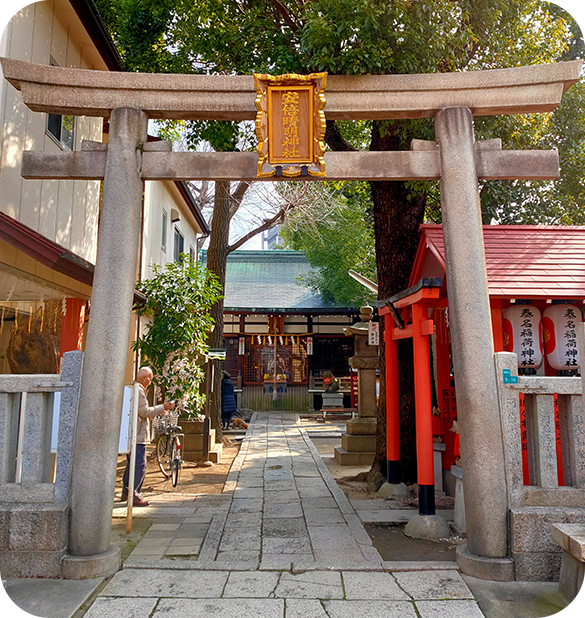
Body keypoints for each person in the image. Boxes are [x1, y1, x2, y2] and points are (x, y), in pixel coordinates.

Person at [121, 366, 172, 506]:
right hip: (138, 433)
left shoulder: (133, 388)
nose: (150, 382)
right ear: (144, 378)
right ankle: (135, 494)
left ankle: (126, 492)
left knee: (131, 464)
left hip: (132, 432)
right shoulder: (139, 391)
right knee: (140, 465)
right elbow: (144, 412)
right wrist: (163, 407)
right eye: (149, 379)